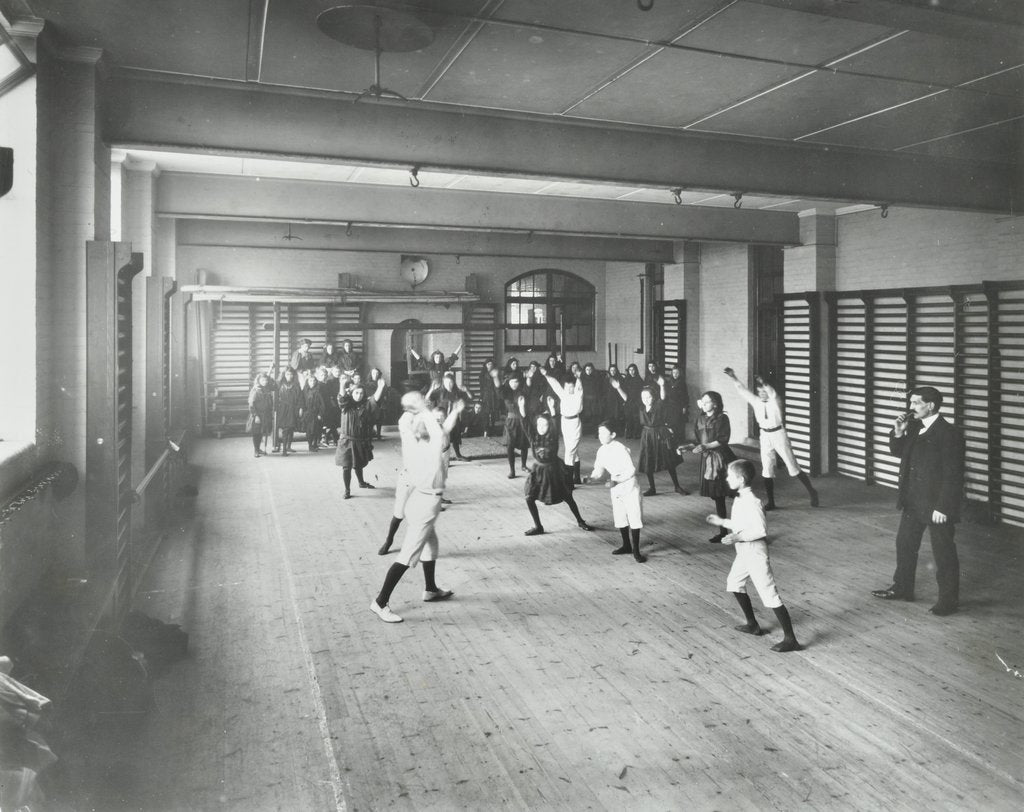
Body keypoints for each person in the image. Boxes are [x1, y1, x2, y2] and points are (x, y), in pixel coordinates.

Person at [370, 392, 464, 623]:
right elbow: (438, 428)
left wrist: (424, 409)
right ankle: (380, 602)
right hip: (424, 505)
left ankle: (430, 589)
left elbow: (411, 422)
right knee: (407, 556)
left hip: (421, 502)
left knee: (431, 546)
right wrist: (425, 408)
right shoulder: (432, 444)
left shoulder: (412, 439)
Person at [871, 386, 965, 615]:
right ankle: (902, 588)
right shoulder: (913, 426)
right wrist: (899, 432)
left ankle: (948, 601)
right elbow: (898, 452)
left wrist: (943, 506)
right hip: (913, 500)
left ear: (930, 405)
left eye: (915, 403)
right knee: (904, 544)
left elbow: (954, 474)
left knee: (943, 552)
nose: (910, 407)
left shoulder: (949, 433)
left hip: (936, 505)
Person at [706, 459, 803, 652]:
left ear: (740, 479)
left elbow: (760, 530)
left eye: (730, 476)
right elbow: (740, 523)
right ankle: (752, 625)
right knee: (734, 582)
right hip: (743, 551)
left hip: (755, 552)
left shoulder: (753, 502)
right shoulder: (741, 498)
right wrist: (722, 522)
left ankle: (791, 639)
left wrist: (737, 537)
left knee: (769, 593)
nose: (726, 479)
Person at [723, 366, 818, 509]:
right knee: (766, 469)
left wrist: (764, 382)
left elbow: (772, 393)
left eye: (764, 391)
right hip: (765, 435)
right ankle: (771, 502)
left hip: (779, 434)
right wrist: (733, 377)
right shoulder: (756, 401)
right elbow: (742, 390)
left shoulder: (775, 401)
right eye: (759, 391)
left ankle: (812, 491)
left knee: (792, 466)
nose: (761, 394)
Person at [518, 404, 593, 536]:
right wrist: (522, 410)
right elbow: (526, 426)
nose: (541, 428)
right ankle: (538, 526)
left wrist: (553, 412)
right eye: (539, 425)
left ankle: (580, 521)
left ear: (549, 426)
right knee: (529, 498)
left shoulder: (552, 437)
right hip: (538, 472)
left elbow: (555, 425)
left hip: (553, 471)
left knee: (567, 497)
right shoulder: (533, 437)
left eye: (544, 425)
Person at [585, 420, 646, 562]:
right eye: (599, 433)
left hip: (629, 485)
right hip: (615, 486)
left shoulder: (620, 448)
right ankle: (626, 545)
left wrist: (617, 481)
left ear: (613, 434)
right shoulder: (601, 450)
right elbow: (598, 470)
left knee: (634, 516)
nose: (600, 436)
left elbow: (631, 470)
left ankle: (636, 550)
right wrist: (591, 478)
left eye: (603, 433)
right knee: (620, 516)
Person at [613, 381, 687, 496]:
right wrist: (618, 388)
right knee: (648, 461)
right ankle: (652, 488)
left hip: (660, 434)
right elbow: (628, 400)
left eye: (649, 397)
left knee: (669, 461)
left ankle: (677, 486)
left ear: (653, 397)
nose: (646, 399)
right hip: (647, 435)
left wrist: (662, 386)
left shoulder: (658, 405)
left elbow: (663, 398)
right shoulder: (641, 407)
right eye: (643, 397)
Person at [680, 391, 736, 543]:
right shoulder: (699, 419)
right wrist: (687, 447)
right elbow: (698, 442)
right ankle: (724, 531)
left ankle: (735, 528)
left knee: (727, 494)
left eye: (707, 402)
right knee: (717, 496)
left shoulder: (722, 418)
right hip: (707, 460)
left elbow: (722, 440)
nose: (704, 404)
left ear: (715, 404)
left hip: (721, 459)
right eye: (702, 402)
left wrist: (705, 446)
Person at [335, 375, 386, 498]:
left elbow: (375, 399)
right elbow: (342, 398)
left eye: (361, 393)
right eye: (356, 393)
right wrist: (341, 385)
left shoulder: (366, 405)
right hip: (346, 441)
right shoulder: (346, 405)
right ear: (352, 393)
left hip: (360, 441)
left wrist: (381, 387)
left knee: (358, 463)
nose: (359, 395)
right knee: (346, 466)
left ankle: (361, 482)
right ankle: (347, 490)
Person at [540, 367, 583, 484]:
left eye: (571, 387)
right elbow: (555, 384)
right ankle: (577, 477)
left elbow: (579, 384)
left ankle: (569, 482)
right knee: (573, 450)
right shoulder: (563, 394)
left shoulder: (578, 394)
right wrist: (546, 374)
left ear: (574, 387)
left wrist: (578, 377)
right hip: (565, 423)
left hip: (575, 423)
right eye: (567, 387)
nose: (569, 389)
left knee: (569, 452)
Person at [428, 372, 470, 461]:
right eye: (447, 382)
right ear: (443, 382)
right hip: (443, 419)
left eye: (451, 382)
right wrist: (431, 389)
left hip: (454, 418)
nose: (449, 385)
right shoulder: (439, 391)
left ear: (453, 383)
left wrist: (467, 390)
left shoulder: (457, 392)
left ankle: (458, 455)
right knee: (443, 439)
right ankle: (441, 458)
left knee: (455, 437)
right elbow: (428, 398)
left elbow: (470, 397)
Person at [499, 374, 530, 478]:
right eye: (512, 382)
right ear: (509, 382)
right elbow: (499, 390)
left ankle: (524, 465)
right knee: (510, 445)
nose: (514, 384)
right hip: (511, 421)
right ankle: (512, 470)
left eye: (516, 382)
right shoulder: (505, 392)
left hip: (521, 420)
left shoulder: (522, 392)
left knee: (524, 444)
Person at [275, 367, 304, 456]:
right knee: (285, 429)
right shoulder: (280, 384)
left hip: (293, 408)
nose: (290, 376)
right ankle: (284, 450)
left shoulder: (296, 385)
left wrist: (300, 408)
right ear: (284, 374)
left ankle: (288, 446)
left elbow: (300, 398)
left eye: (291, 374)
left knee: (291, 428)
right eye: (287, 374)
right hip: (283, 409)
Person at [246, 372, 275, 458]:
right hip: (257, 415)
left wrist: (270, 377)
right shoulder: (255, 390)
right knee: (256, 433)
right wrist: (256, 416)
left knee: (261, 432)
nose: (265, 381)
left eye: (266, 380)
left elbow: (275, 386)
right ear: (258, 380)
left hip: (266, 415)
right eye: (262, 380)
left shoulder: (267, 388)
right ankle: (256, 450)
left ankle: (259, 449)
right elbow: (251, 404)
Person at [302, 368, 327, 452]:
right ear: (307, 382)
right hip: (308, 414)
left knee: (317, 429)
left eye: (314, 381)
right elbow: (302, 402)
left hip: (316, 413)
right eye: (310, 381)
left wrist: (320, 414)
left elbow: (322, 404)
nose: (312, 382)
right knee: (309, 430)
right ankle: (310, 445)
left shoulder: (318, 391)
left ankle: (315, 444)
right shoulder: (305, 391)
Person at [663, 364, 689, 439]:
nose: (675, 375)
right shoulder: (668, 382)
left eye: (677, 373)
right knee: (670, 423)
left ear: (680, 373)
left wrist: (684, 407)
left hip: (678, 406)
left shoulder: (682, 383)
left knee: (678, 423)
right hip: (669, 406)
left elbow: (685, 396)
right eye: (674, 373)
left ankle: (679, 439)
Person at [478, 358, 503, 436]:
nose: (490, 365)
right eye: (488, 364)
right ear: (485, 365)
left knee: (493, 412)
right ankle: (486, 429)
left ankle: (493, 429)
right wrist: (482, 396)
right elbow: (481, 386)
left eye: (491, 364)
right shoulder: (482, 374)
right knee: (486, 412)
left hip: (494, 395)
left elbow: (498, 384)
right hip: (486, 395)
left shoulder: (496, 372)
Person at [621, 363, 644, 438]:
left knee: (636, 418)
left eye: (633, 370)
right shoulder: (626, 380)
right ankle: (629, 433)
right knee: (628, 418)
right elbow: (624, 391)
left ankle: (636, 433)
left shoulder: (639, 380)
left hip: (636, 402)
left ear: (636, 370)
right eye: (630, 370)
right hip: (628, 401)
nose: (631, 372)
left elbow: (641, 392)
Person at [321, 366, 342, 446]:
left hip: (337, 403)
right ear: (332, 372)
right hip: (330, 404)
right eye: (336, 371)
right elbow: (329, 394)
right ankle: (332, 438)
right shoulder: (329, 382)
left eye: (339, 371)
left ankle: (332, 437)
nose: (338, 373)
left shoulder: (340, 380)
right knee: (331, 422)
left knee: (335, 422)